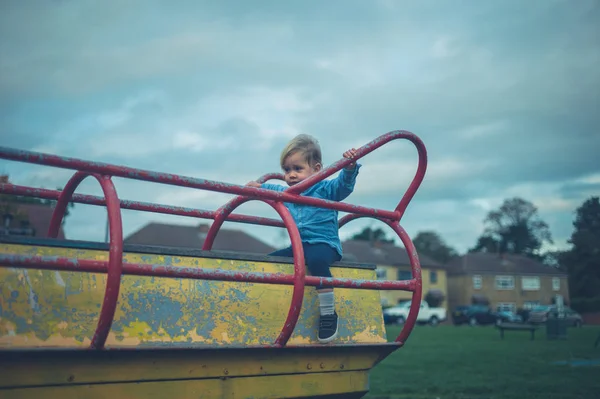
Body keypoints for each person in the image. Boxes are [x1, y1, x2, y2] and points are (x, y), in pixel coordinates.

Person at [246, 134, 360, 343]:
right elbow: (272, 189)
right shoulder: (288, 192)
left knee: (316, 260)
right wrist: (257, 188)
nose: (291, 175)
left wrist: (350, 167)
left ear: (316, 169)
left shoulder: (325, 189)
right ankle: (268, 307)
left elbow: (343, 186)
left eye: (297, 169)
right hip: (300, 247)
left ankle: (328, 313)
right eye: (287, 170)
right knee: (269, 260)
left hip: (325, 245)